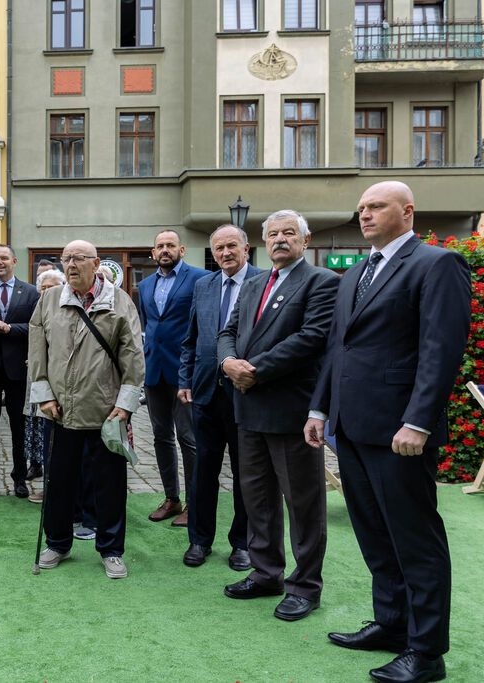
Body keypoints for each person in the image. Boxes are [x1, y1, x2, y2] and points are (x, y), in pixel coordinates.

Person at [305, 181, 470, 683]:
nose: (365, 214)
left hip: (401, 431)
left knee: (414, 539)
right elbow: (337, 348)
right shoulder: (357, 272)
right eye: (361, 208)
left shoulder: (436, 264)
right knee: (374, 534)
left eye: (376, 206)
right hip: (351, 428)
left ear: (408, 211)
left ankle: (427, 652)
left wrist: (418, 421)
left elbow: (441, 349)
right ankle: (393, 624)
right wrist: (319, 409)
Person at [217, 210, 339, 621]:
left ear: (306, 240)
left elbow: (312, 338)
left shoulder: (322, 281)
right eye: (272, 234)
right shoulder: (253, 283)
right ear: (264, 242)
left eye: (289, 232)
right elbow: (227, 332)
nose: (280, 239)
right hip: (248, 408)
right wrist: (228, 363)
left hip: (291, 411)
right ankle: (266, 573)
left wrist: (255, 371)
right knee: (257, 498)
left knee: (303, 503)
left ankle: (305, 587)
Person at [29, 239, 144, 579]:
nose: (71, 264)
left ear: (96, 263)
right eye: (66, 258)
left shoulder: (119, 301)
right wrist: (43, 395)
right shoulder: (49, 300)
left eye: (79, 258)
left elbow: (133, 356)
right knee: (58, 483)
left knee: (109, 485)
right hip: (59, 411)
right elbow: (37, 351)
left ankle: (111, 550)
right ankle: (57, 543)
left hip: (106, 411)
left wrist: (125, 404)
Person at [177, 225, 260, 570]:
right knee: (203, 470)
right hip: (205, 392)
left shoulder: (263, 281)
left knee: (246, 473)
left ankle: (242, 543)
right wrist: (185, 379)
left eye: (232, 246)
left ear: (246, 248)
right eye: (219, 248)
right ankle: (199, 540)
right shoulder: (204, 285)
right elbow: (191, 338)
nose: (225, 253)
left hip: (247, 394)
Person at [138, 229, 204, 526]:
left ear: (182, 249)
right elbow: (148, 325)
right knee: (160, 437)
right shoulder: (145, 284)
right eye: (160, 246)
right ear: (153, 252)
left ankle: (194, 503)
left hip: (185, 373)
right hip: (154, 371)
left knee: (189, 439)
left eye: (170, 245)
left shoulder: (200, 279)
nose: (165, 250)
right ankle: (172, 499)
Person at [0, 244, 40, 500]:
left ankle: (19, 478)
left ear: (14, 261)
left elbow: (36, 327)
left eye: (4, 258)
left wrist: (10, 328)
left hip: (18, 370)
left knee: (19, 428)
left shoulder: (31, 292)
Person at [25, 268, 66, 504]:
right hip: (41, 388)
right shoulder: (38, 309)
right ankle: (49, 487)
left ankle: (60, 490)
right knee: (45, 442)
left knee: (59, 444)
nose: (47, 292)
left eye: (52, 288)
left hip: (63, 386)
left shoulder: (68, 308)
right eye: (43, 288)